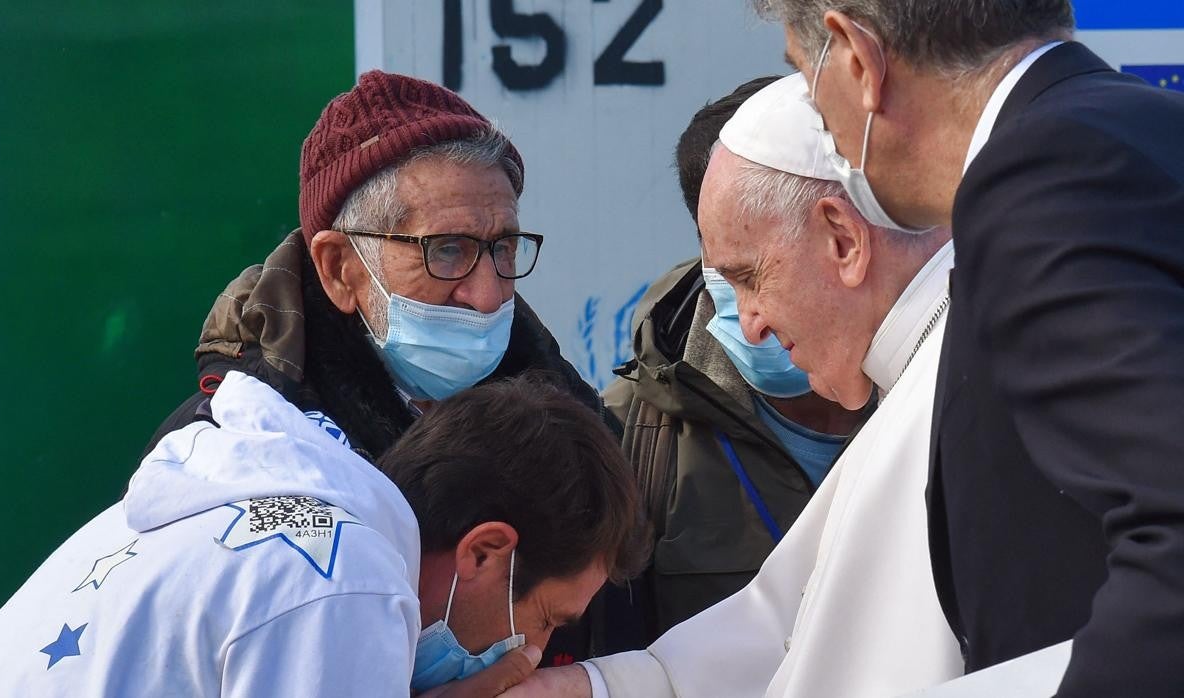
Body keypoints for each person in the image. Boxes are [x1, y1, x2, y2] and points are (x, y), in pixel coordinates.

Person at [760, 0, 1184, 693]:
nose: (825, 128)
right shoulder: (1135, 128)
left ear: (858, 57)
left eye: (810, 84)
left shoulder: (1039, 178)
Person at [507, 73, 960, 698]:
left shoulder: (988, 379)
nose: (747, 322)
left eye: (750, 276)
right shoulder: (921, 371)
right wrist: (598, 688)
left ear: (844, 240)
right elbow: (790, 621)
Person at [142, 69, 609, 666]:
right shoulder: (230, 451)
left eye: (504, 248)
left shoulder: (572, 423)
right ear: (340, 268)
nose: (489, 294)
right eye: (447, 250)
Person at [0, 371, 650, 696]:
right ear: (485, 551)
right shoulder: (347, 586)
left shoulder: (282, 512)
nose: (529, 658)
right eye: (546, 621)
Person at [601, 75, 865, 646]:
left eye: (760, 270)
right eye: (729, 273)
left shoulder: (946, 392)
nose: (751, 319)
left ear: (845, 234)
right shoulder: (630, 435)